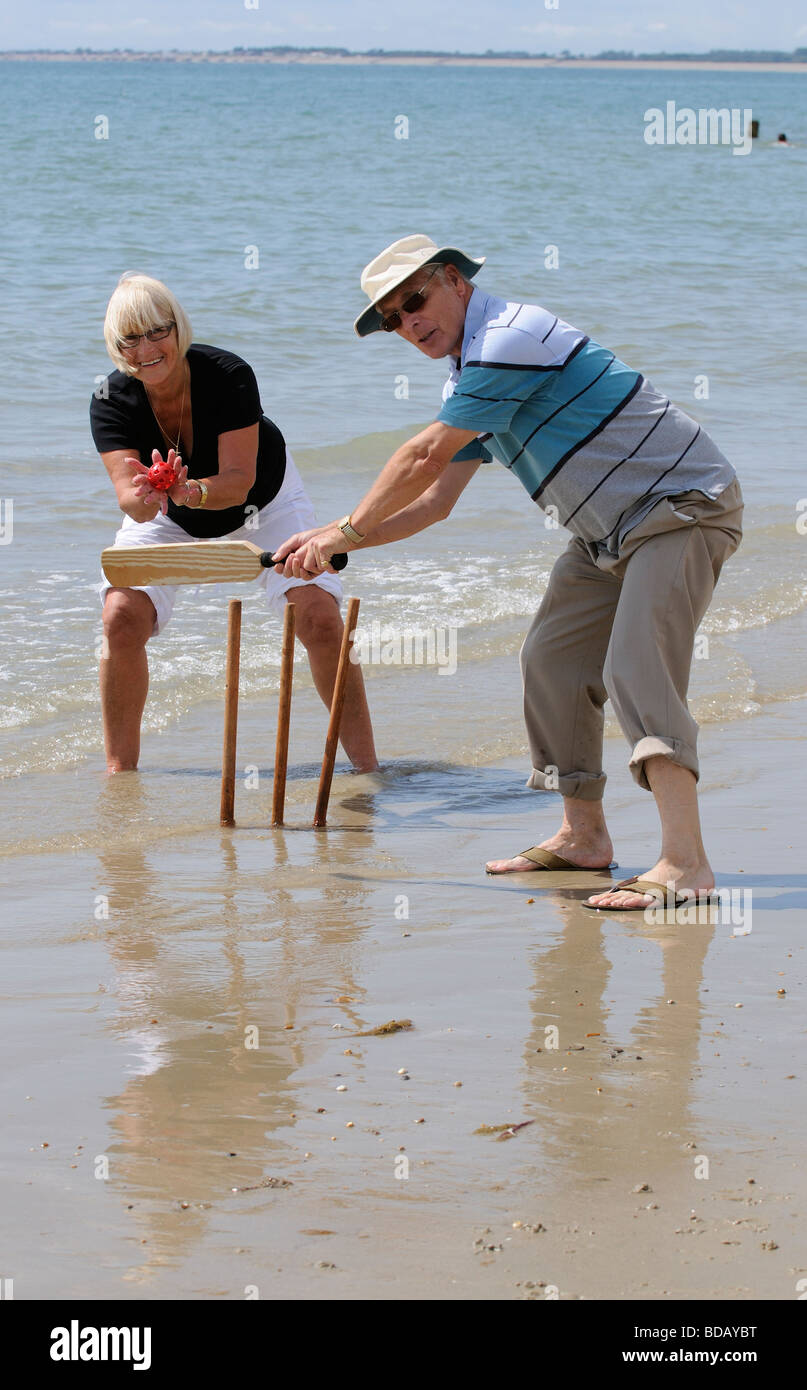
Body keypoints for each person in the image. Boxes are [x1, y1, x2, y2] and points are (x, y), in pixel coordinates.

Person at [272, 235, 743, 912]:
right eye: (392, 318)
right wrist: (333, 543)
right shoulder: (471, 376)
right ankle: (583, 837)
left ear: (455, 282)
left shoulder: (507, 339)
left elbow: (423, 456)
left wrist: (343, 529)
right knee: (549, 662)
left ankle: (686, 864)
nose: (409, 322)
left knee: (636, 670)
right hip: (606, 533)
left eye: (416, 299)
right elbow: (434, 504)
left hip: (679, 510)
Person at [91, 272, 378, 776]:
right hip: (171, 515)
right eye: (130, 339)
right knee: (120, 615)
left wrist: (191, 490)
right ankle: (121, 779)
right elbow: (132, 507)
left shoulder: (227, 374)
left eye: (158, 331)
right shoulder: (110, 400)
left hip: (263, 501)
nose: (147, 348)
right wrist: (146, 495)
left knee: (318, 616)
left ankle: (369, 771)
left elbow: (239, 482)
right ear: (116, 348)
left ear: (179, 328)